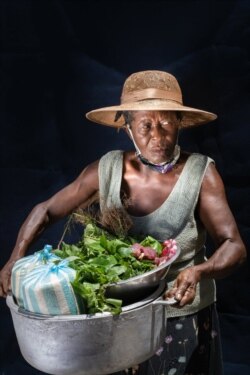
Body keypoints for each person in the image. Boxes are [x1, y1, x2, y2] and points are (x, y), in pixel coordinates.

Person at [0, 70, 246, 375]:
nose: (157, 136)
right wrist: (15, 257)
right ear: (127, 128)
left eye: (166, 123)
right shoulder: (107, 170)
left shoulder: (200, 174)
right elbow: (47, 211)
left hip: (182, 316)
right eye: (145, 125)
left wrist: (198, 272)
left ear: (179, 123)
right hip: (117, 319)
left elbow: (234, 245)